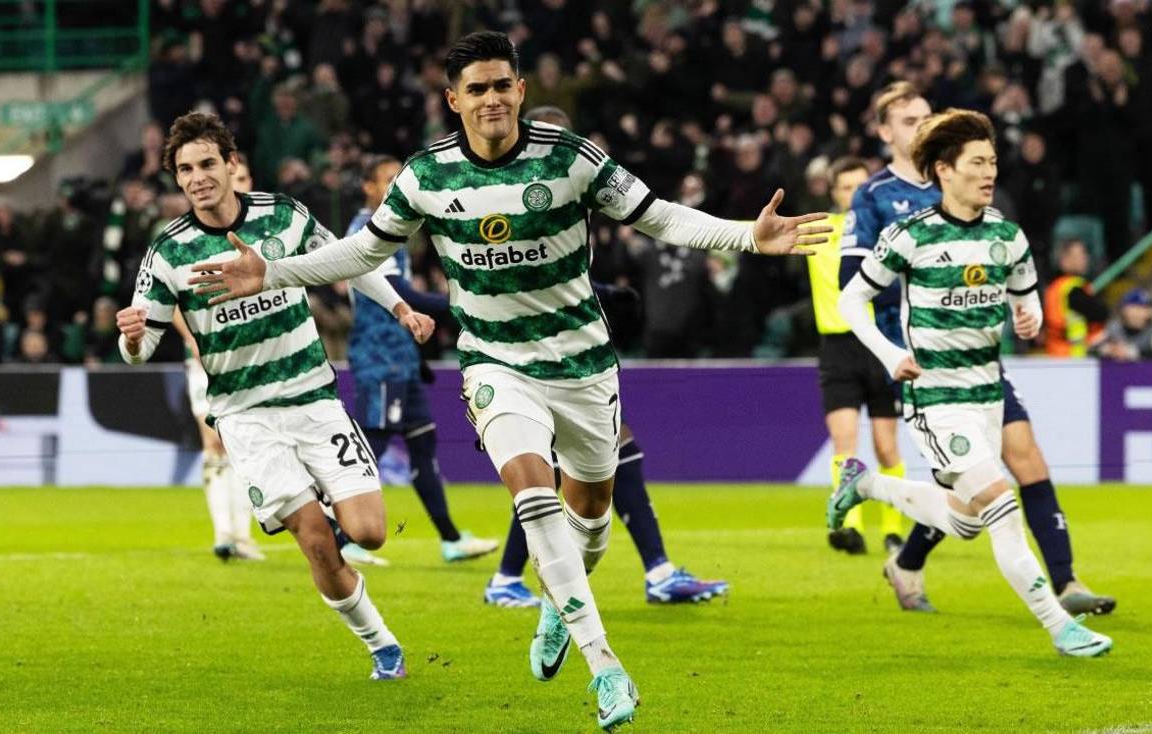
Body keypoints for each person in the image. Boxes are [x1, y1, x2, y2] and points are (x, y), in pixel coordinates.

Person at [186, 31, 830, 730]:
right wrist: (272, 271)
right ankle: (605, 665)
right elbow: (363, 252)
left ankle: (558, 604)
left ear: (520, 91)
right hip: (497, 364)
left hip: (583, 364)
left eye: (502, 85)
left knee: (589, 519)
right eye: (478, 88)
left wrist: (747, 236)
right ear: (453, 99)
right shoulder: (424, 178)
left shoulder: (572, 160)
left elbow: (658, 217)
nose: (491, 99)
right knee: (532, 491)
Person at [116, 111, 435, 680]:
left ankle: (327, 505)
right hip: (246, 416)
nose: (198, 178)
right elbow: (143, 346)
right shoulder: (167, 252)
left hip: (313, 399)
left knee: (369, 532)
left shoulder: (282, 216)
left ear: (230, 163)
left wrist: (401, 306)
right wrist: (133, 340)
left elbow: (351, 261)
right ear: (178, 179)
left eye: (207, 163)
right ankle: (382, 645)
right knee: (315, 542)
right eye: (186, 170)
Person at [830, 109, 1112, 658]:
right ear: (944, 170)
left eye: (993, 162)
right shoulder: (909, 236)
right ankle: (1061, 627)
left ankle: (863, 485)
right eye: (977, 162)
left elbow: (1026, 291)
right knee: (1001, 505)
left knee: (964, 522)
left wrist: (1027, 315)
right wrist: (890, 354)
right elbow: (851, 299)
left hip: (987, 394)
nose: (989, 173)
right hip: (934, 397)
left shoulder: (1007, 235)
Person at [484, 104, 729, 609]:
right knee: (553, 467)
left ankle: (648, 570)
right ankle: (515, 577)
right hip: (521, 358)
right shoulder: (506, 199)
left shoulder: (575, 192)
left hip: (573, 351)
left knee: (586, 459)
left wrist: (600, 291)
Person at [335, 153, 499, 566]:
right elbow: (396, 291)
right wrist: (460, 304)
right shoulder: (367, 231)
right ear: (368, 188)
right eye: (386, 180)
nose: (393, 187)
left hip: (400, 357)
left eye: (398, 179)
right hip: (380, 356)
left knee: (422, 442)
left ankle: (450, 539)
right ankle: (343, 537)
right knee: (373, 442)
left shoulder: (396, 231)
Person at [811, 155, 907, 557]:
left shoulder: (886, 232)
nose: (853, 193)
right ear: (833, 192)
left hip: (879, 343)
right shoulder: (819, 229)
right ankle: (849, 526)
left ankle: (893, 529)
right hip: (837, 347)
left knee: (887, 447)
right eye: (846, 186)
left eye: (859, 186)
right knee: (844, 442)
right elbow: (761, 233)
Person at [171, 154, 264, 563]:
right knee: (214, 440)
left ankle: (243, 535)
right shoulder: (187, 238)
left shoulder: (263, 232)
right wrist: (191, 336)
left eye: (245, 177)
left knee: (245, 443)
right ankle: (224, 532)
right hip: (208, 361)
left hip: (256, 359)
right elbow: (171, 297)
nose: (238, 183)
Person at [1044, 238, 1108, 357]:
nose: (1085, 258)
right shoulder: (1074, 288)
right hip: (1074, 359)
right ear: (1064, 260)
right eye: (1080, 254)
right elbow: (1100, 314)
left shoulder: (1054, 287)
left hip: (1055, 355)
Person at [1090, 288, 1152, 360]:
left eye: (1148, 308)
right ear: (1126, 310)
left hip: (1144, 373)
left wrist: (1131, 353)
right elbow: (1091, 347)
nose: (1148, 312)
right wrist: (1108, 349)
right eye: (1141, 308)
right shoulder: (1113, 327)